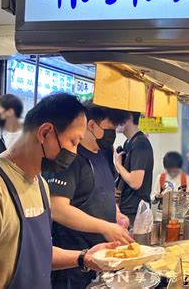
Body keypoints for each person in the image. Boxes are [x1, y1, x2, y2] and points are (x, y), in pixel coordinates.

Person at [0, 93, 117, 288]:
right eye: (73, 142)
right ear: (45, 133)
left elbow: (38, 254)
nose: (75, 153)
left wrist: (84, 258)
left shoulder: (40, 184)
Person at [47, 102, 132, 288]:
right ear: (92, 125)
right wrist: (105, 227)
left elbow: (107, 191)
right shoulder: (70, 158)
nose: (113, 135)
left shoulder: (104, 154)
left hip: (101, 257)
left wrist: (116, 214)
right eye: (110, 128)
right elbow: (58, 208)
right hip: (73, 261)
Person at [115, 112, 154, 226]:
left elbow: (135, 182)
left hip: (135, 211)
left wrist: (118, 165)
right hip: (127, 208)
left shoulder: (140, 143)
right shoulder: (129, 142)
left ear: (129, 117)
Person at [153, 152, 189, 221]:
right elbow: (152, 199)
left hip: (180, 218)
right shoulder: (161, 177)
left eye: (175, 170)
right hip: (161, 217)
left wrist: (184, 199)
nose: (172, 172)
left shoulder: (186, 179)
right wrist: (157, 197)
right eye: (169, 170)